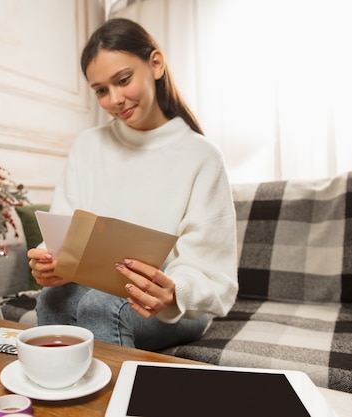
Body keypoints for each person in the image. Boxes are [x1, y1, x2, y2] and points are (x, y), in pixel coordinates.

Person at [27, 18, 238, 351]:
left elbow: (212, 271)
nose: (115, 99)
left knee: (104, 304)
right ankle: (60, 397)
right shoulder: (88, 146)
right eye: (101, 91)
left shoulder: (202, 156)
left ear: (155, 64)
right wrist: (51, 263)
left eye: (123, 80)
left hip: (175, 307)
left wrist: (172, 290)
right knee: (52, 299)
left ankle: (112, 402)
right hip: (99, 288)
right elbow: (64, 232)